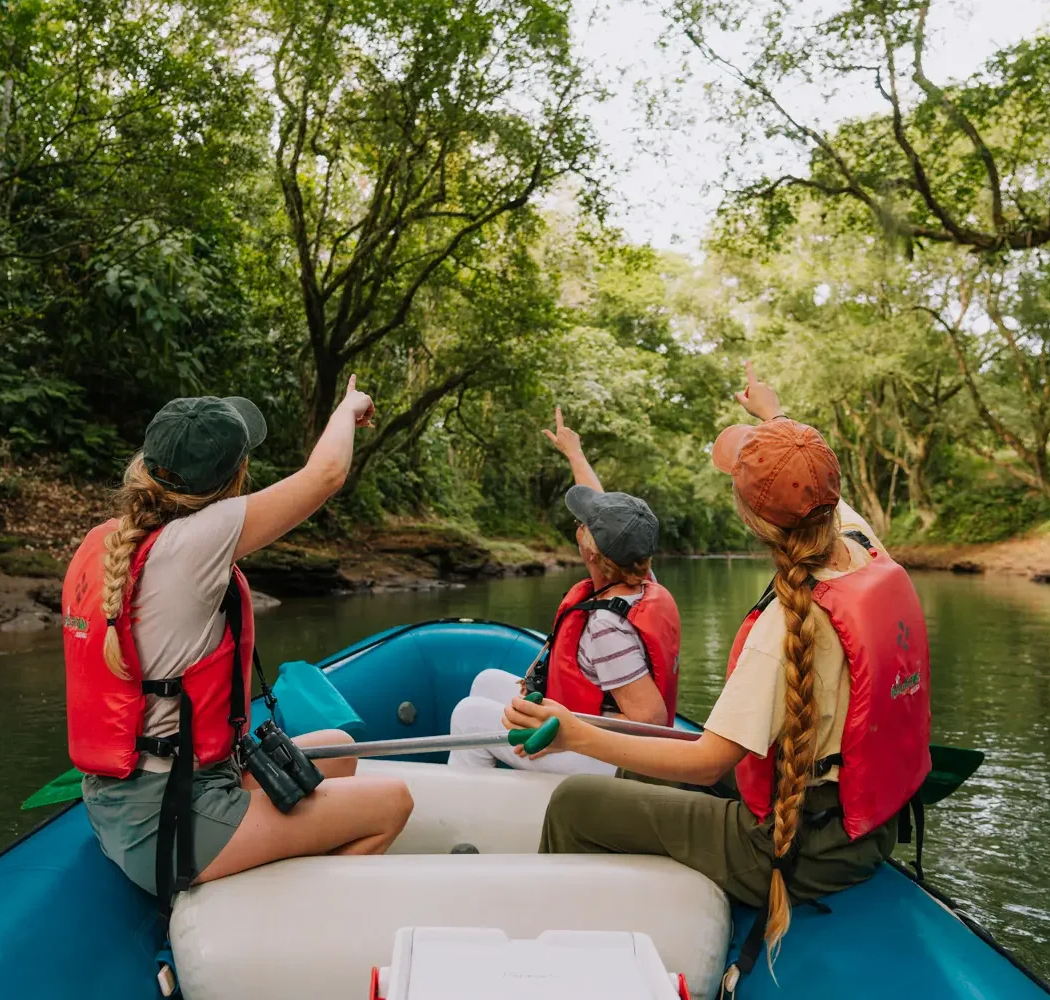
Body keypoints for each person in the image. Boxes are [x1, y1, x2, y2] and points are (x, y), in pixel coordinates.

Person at [503, 364, 932, 986]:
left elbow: (708, 762)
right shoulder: (861, 544)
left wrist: (573, 733)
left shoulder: (785, 626)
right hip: (860, 824)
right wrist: (774, 418)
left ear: (753, 521)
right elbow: (811, 485)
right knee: (632, 768)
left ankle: (560, 974)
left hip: (801, 849)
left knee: (575, 802)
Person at [63, 379, 413, 908]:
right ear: (233, 479)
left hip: (148, 791)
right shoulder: (200, 539)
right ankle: (289, 924)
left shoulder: (112, 538)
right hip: (167, 818)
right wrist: (348, 406)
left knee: (339, 753)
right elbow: (326, 474)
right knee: (393, 804)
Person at [446, 406, 682, 775]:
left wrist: (567, 725)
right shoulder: (640, 576)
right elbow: (611, 520)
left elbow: (649, 721)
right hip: (594, 733)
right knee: (486, 682)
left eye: (581, 523)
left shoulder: (606, 626)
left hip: (612, 761)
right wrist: (575, 452)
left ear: (591, 551)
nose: (580, 523)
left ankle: (468, 814)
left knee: (468, 716)